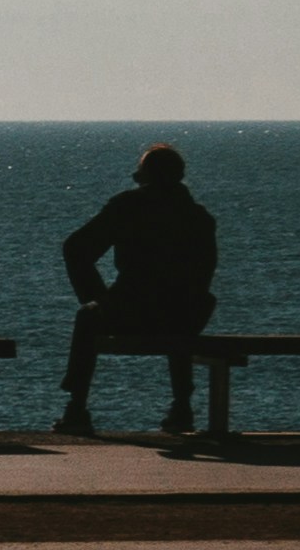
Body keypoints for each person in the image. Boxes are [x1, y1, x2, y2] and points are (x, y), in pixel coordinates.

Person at [57, 141, 222, 436]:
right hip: (184, 313)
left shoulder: (128, 207)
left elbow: (75, 248)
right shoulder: (199, 218)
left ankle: (77, 407)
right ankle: (182, 406)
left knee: (87, 317)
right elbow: (205, 271)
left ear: (146, 176)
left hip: (131, 310)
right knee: (180, 322)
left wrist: (98, 298)